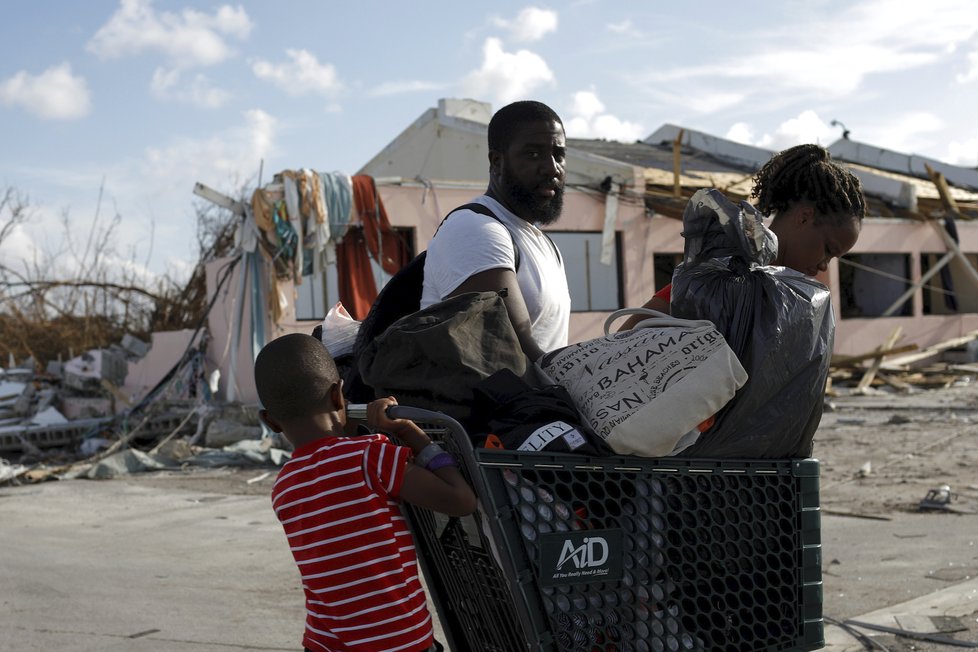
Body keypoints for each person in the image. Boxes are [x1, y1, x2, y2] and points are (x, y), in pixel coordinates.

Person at [254, 333, 476, 652]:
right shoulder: (370, 457)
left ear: (270, 421)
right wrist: (408, 432)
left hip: (324, 641)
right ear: (337, 396)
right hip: (398, 640)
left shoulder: (285, 486)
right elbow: (461, 501)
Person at [621, 143, 865, 328]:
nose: (824, 265)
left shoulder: (801, 302)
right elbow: (625, 339)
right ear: (804, 217)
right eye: (828, 249)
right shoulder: (722, 276)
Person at [421, 100, 571, 362]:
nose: (552, 168)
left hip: (541, 400)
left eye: (558, 155)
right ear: (497, 162)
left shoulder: (545, 243)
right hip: (492, 403)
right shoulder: (475, 228)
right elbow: (510, 352)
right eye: (533, 154)